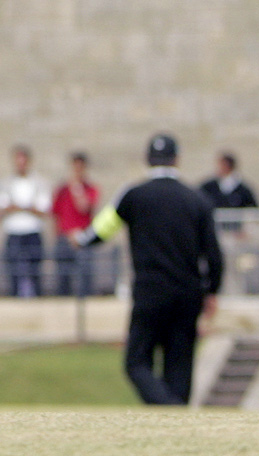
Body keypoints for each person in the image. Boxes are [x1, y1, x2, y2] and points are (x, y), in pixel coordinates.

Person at [81, 133, 222, 406]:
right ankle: (177, 419)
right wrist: (212, 290)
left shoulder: (133, 195)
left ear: (147, 159)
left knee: (136, 362)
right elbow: (215, 257)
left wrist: (81, 239)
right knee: (179, 364)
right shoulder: (198, 200)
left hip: (150, 291)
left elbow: (101, 230)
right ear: (177, 159)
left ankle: (170, 408)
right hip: (188, 294)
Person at [0, 145, 49, 298]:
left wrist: (21, 207)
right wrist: (24, 207)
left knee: (35, 269)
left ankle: (37, 299)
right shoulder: (6, 183)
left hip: (32, 230)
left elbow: (42, 209)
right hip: (13, 231)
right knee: (13, 270)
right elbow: (2, 207)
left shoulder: (38, 182)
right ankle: (14, 299)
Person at [51, 152, 100, 296]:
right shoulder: (62, 190)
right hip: (64, 238)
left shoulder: (90, 189)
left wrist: (76, 189)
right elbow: (55, 214)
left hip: (83, 237)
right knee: (63, 277)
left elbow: (84, 207)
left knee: (85, 277)